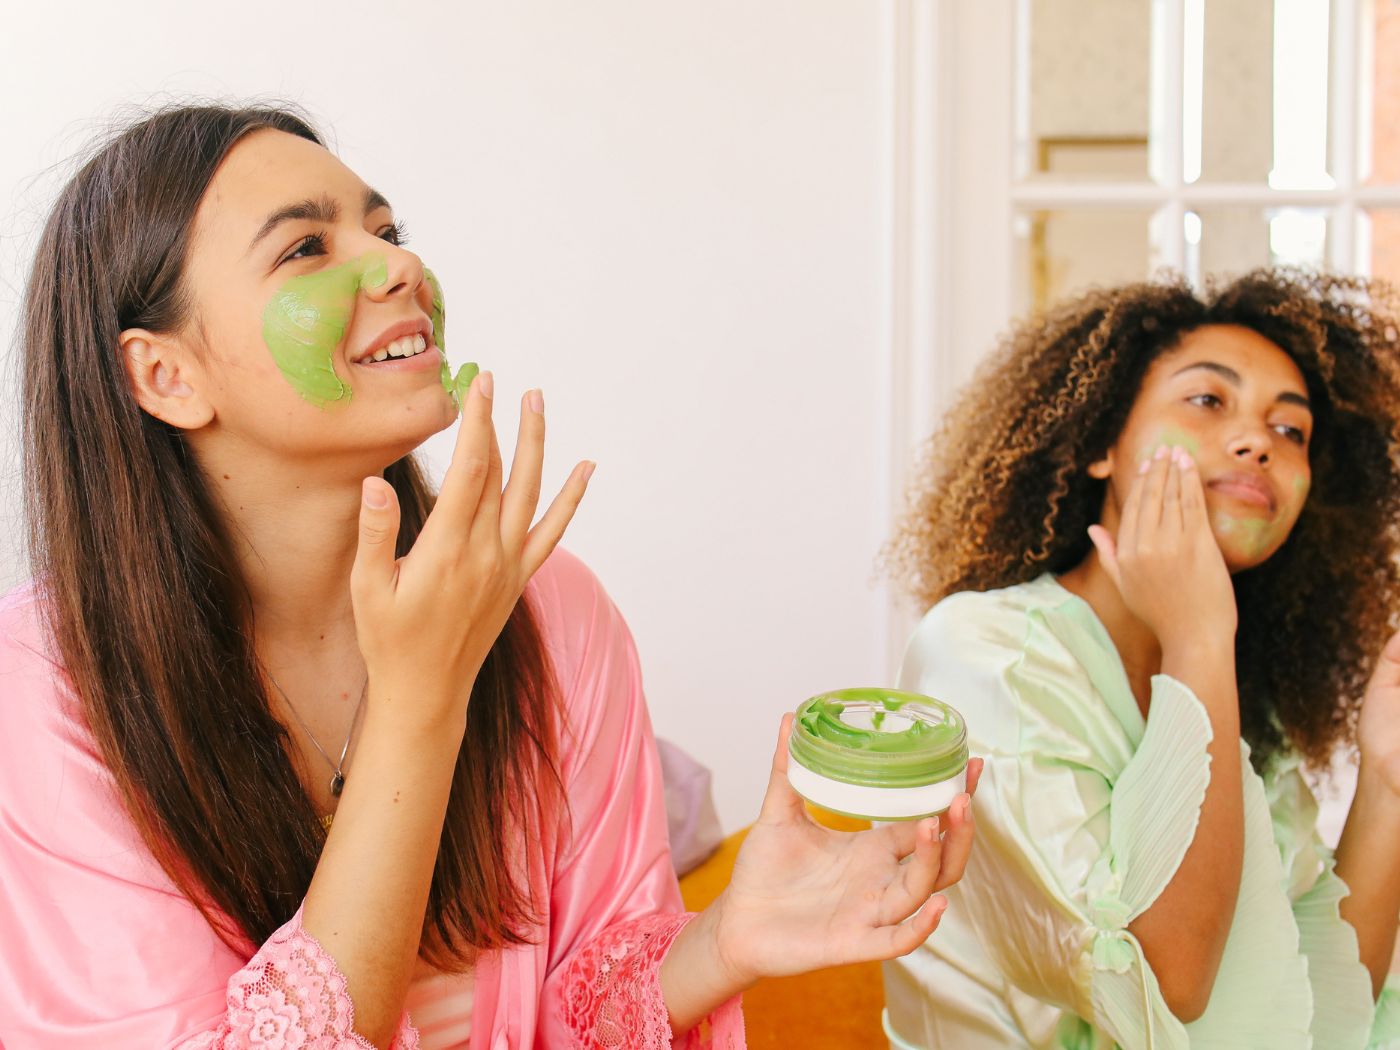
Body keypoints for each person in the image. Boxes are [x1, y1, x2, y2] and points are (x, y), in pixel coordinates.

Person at [0, 104, 980, 1050]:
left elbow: (584, 991)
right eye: (306, 248)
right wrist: (420, 705)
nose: (399, 264)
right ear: (165, 376)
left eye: (387, 228)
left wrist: (723, 939)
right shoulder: (44, 687)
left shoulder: (552, 611)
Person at [882, 271, 1400, 1049]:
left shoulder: (1244, 696)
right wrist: (1197, 639)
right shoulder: (984, 657)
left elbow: (1321, 1020)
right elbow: (1164, 992)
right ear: (1100, 445)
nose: (1258, 440)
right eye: (1207, 401)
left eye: (1291, 432)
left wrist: (1388, 782)